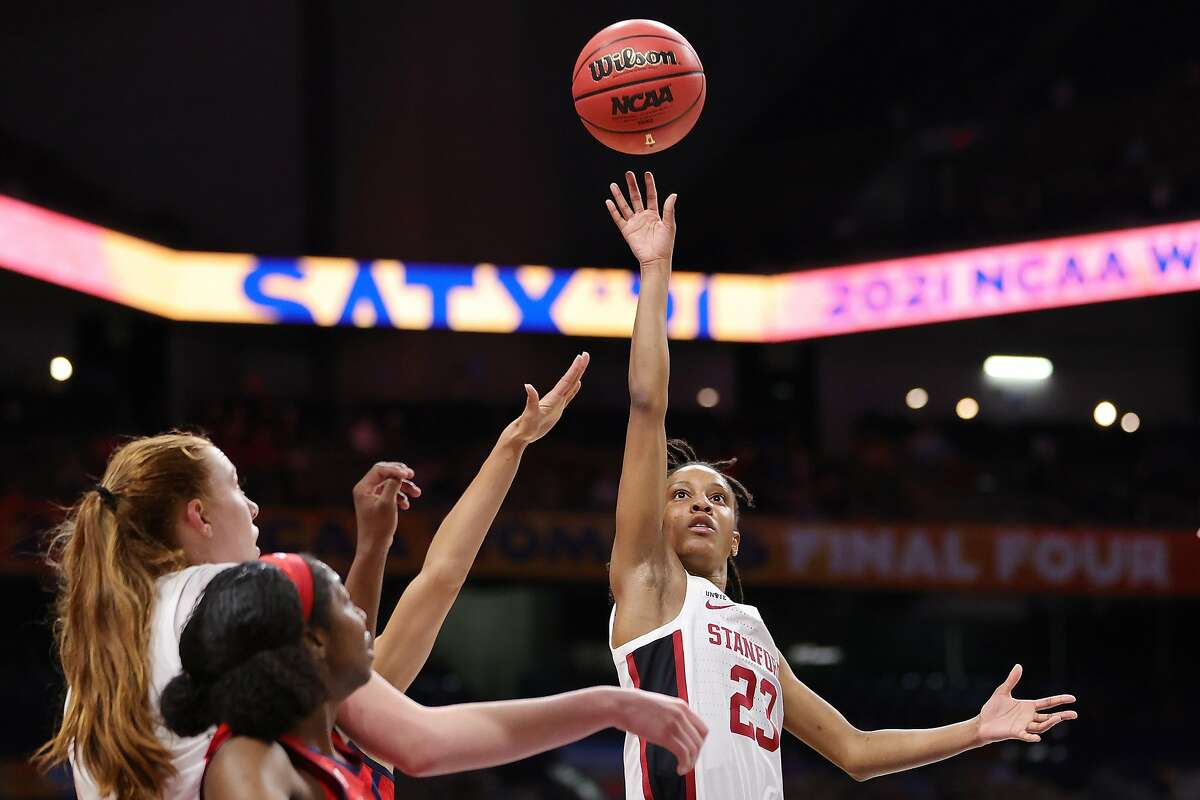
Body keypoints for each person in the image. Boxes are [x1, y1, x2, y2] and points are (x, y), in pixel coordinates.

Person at [603, 171, 1079, 798]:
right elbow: (646, 404)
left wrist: (977, 729)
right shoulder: (650, 586)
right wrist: (657, 270)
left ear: (736, 539)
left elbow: (853, 751)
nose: (699, 504)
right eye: (681, 494)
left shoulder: (752, 634)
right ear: (654, 523)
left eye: (717, 498)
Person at [34, 354, 667, 799]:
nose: (253, 507)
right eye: (237, 487)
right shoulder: (242, 612)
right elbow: (412, 726)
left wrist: (374, 551)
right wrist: (607, 703)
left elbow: (379, 640)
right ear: (197, 514)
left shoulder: (107, 660)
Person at [162, 553, 707, 799]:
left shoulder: (335, 747)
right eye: (345, 606)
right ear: (315, 641)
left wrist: (613, 705)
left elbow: (444, 740)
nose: (362, 616)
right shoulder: (247, 761)